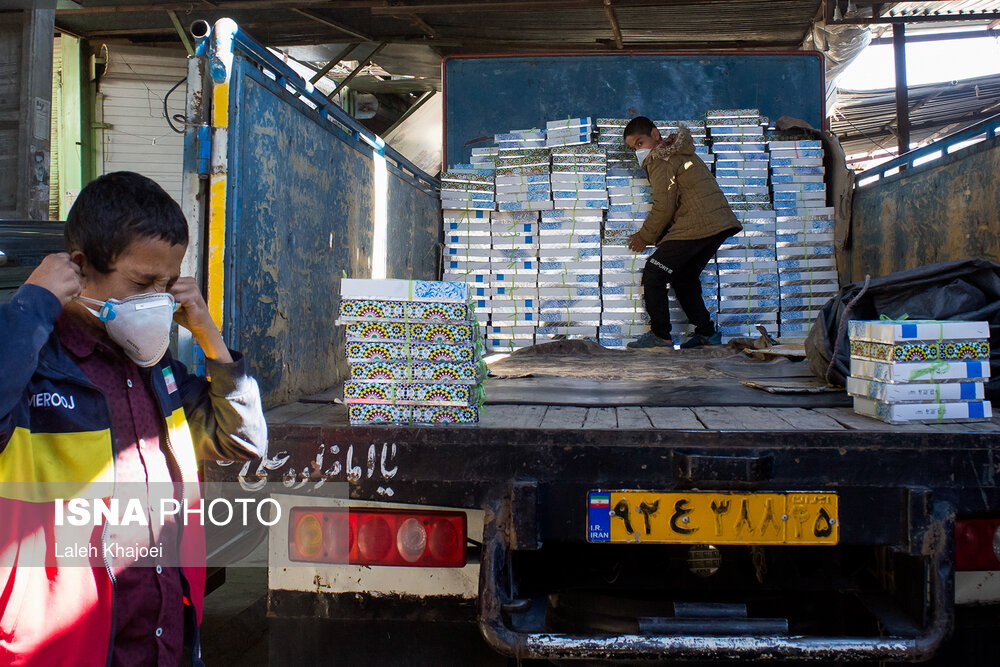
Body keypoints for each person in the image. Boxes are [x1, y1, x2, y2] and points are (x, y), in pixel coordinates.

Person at [0, 171, 268, 666]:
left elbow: (243, 442)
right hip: (65, 649)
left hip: (164, 644)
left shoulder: (156, 371)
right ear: (78, 270)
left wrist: (208, 332)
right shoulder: (35, 368)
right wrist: (33, 304)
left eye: (167, 285)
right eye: (142, 283)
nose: (157, 301)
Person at [622, 116, 742, 349]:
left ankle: (660, 336)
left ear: (655, 135)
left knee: (655, 271)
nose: (638, 150)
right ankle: (707, 334)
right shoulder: (681, 153)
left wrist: (644, 237)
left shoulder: (661, 160)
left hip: (699, 223)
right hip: (716, 223)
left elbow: (664, 205)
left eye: (639, 143)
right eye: (633, 148)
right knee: (684, 278)